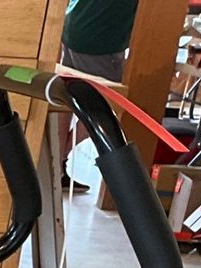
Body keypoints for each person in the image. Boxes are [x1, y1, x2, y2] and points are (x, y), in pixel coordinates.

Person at [59, 0, 142, 190]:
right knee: (107, 103)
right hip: (98, 39)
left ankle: (53, 165)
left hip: (74, 26)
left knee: (64, 99)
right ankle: (59, 155)